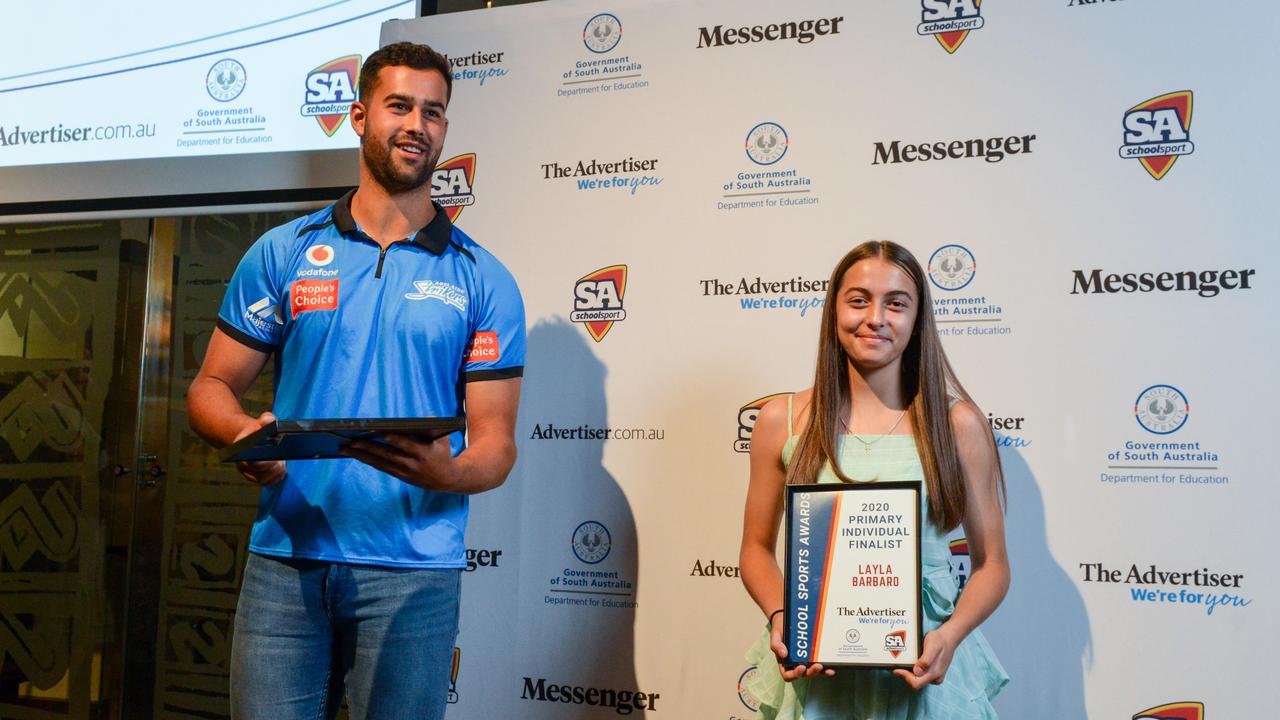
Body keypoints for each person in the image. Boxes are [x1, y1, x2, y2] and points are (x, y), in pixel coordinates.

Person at [187, 42, 525, 720]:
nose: (416, 125)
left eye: (433, 112)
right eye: (399, 106)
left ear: (445, 131)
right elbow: (210, 388)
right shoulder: (284, 250)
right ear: (359, 115)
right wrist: (243, 434)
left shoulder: (483, 279)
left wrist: (446, 474)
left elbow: (495, 444)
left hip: (414, 569)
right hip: (287, 557)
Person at [738, 241, 1009, 719]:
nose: (876, 318)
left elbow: (991, 567)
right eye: (859, 300)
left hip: (923, 674)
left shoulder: (958, 424)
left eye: (896, 303)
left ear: (917, 318)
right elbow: (756, 550)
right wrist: (785, 618)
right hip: (818, 678)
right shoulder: (782, 419)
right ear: (834, 310)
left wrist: (949, 637)